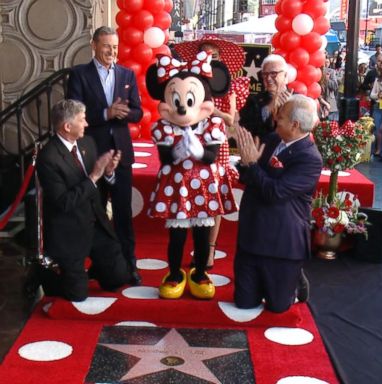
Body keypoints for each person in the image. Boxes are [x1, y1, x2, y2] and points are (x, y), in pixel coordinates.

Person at [145, 51, 237, 299]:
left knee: (201, 234)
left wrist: (198, 151)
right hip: (176, 187)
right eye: (176, 99)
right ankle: (175, 273)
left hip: (203, 189)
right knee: (176, 236)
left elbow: (210, 156)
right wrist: (176, 152)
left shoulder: (213, 125)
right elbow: (164, 158)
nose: (183, 106)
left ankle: (198, 272)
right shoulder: (164, 128)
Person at [67, 26, 143, 285]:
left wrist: (125, 113)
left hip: (121, 154)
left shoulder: (127, 74)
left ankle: (129, 266)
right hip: (92, 155)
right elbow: (73, 111)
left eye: (115, 47)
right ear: (94, 45)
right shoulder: (79, 75)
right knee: (94, 214)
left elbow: (138, 112)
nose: (112, 51)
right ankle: (99, 265)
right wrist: (105, 114)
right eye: (107, 46)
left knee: (123, 213)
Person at [36, 99, 133, 302]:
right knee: (77, 295)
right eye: (82, 120)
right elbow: (64, 202)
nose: (87, 124)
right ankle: (43, 276)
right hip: (69, 231)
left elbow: (98, 184)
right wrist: (94, 177)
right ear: (67, 126)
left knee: (118, 278)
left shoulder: (87, 142)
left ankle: (97, 267)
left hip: (95, 223)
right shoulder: (48, 158)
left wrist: (108, 173)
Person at [234, 94, 322, 313]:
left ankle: (295, 279)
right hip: (252, 235)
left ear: (295, 124)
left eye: (280, 117)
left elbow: (276, 192)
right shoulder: (273, 139)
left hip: (282, 242)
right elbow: (253, 175)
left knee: (278, 308)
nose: (276, 120)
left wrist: (253, 164)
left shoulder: (310, 158)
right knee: (244, 303)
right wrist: (245, 165)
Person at [175, 36, 249, 268]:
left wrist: (207, 108)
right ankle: (195, 247)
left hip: (218, 146)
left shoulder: (229, 86)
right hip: (191, 144)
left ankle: (209, 250)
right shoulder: (189, 84)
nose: (208, 59)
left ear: (220, 58)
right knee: (191, 193)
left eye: (213, 55)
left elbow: (229, 120)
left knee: (213, 198)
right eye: (203, 54)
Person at [239, 54, 293, 140]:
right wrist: (268, 109)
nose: (268, 78)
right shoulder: (253, 101)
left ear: (285, 75)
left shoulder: (297, 99)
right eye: (265, 74)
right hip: (262, 150)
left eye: (273, 73)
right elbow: (246, 129)